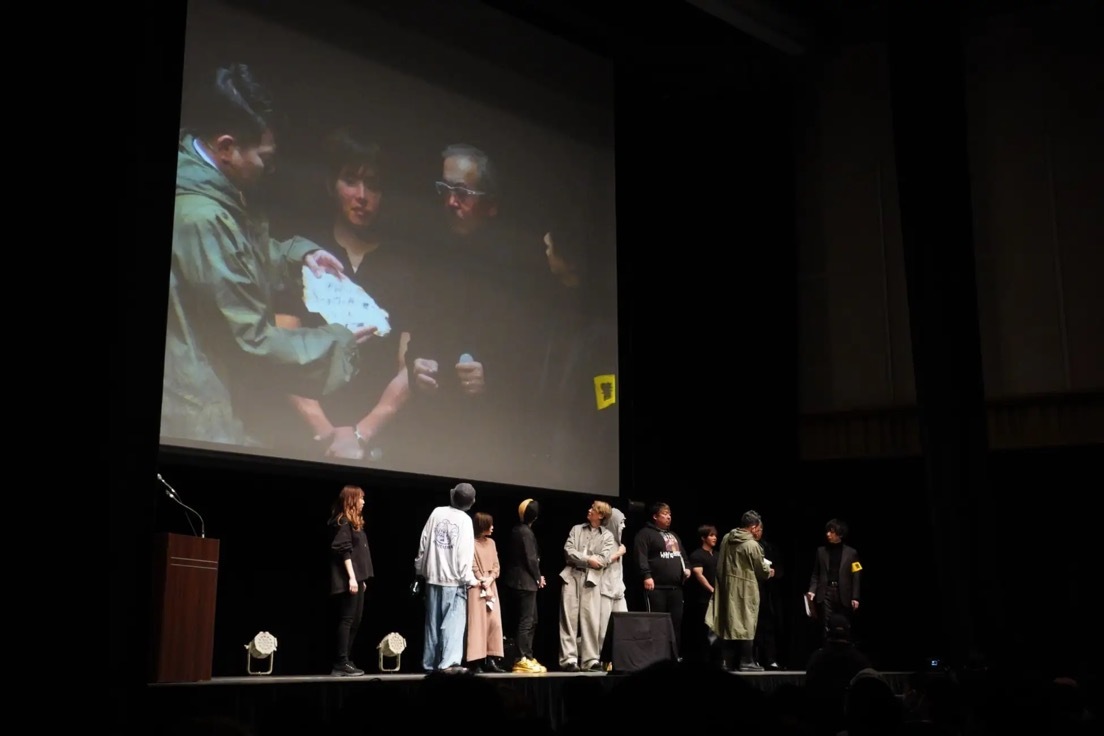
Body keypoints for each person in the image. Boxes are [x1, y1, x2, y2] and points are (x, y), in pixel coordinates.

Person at [162, 62, 375, 447]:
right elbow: (251, 342)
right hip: (201, 413)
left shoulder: (213, 191)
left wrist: (299, 258)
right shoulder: (202, 217)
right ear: (226, 147)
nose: (269, 167)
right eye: (264, 156)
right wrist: (338, 343)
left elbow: (236, 257)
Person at [274, 128, 419, 462]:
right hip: (302, 437)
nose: (362, 195)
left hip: (378, 443)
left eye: (374, 185)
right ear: (331, 185)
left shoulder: (401, 269)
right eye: (351, 180)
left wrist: (361, 434)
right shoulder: (304, 256)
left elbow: (407, 366)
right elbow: (281, 352)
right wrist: (324, 431)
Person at [414, 482, 479, 673]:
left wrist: (420, 570)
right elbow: (464, 554)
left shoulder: (436, 512)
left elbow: (423, 543)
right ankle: (449, 664)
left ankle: (430, 664)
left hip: (433, 578)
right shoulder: (465, 521)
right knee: (453, 623)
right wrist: (470, 579)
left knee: (432, 624)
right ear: (471, 502)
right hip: (454, 581)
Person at [707, 510, 774, 671]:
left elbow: (721, 562)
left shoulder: (726, 538)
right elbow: (761, 571)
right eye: (758, 529)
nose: (759, 532)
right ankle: (746, 661)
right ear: (753, 527)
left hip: (726, 587)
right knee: (746, 623)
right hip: (745, 589)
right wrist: (769, 571)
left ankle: (724, 661)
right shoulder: (752, 545)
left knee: (726, 621)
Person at [558, 500, 616, 672]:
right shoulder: (577, 529)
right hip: (571, 576)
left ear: (601, 515)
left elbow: (603, 559)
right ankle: (568, 659)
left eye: (593, 509)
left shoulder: (607, 536)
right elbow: (568, 551)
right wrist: (588, 559)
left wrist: (585, 558)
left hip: (592, 580)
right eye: (590, 508)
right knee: (568, 619)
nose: (589, 510)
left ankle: (590, 660)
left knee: (591, 620)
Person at [633, 502, 691, 657]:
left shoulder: (673, 536)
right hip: (656, 587)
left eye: (670, 514)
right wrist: (647, 575)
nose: (669, 517)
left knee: (675, 624)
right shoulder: (645, 534)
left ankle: (674, 656)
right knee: (656, 623)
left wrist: (687, 569)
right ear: (655, 516)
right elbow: (641, 557)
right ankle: (656, 657)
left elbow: (682, 556)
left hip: (676, 588)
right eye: (665, 514)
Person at [328, 484, 374, 676]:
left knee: (356, 620)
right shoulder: (343, 521)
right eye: (361, 498)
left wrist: (361, 578)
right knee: (347, 619)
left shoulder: (355, 522)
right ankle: (340, 662)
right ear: (352, 500)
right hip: (349, 579)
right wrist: (352, 578)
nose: (364, 501)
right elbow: (344, 550)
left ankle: (346, 658)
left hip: (357, 578)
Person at [500, 498, 548, 673]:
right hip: (525, 582)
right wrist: (537, 577)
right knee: (526, 621)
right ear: (534, 516)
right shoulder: (525, 532)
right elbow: (530, 557)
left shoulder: (520, 530)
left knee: (532, 620)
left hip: (525, 581)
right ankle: (521, 658)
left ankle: (527, 655)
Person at [807, 518, 862, 640]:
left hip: (844, 593)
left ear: (840, 533)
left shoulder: (852, 553)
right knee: (827, 624)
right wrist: (812, 590)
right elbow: (816, 573)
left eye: (832, 532)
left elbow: (856, 576)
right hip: (826, 592)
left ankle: (843, 650)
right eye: (828, 531)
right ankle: (827, 649)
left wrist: (855, 597)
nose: (828, 534)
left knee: (843, 623)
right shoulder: (821, 551)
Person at [465, 512, 505, 672]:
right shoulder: (471, 543)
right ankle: (476, 661)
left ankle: (491, 659)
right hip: (477, 587)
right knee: (478, 624)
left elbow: (496, 564)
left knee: (494, 623)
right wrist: (484, 581)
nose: (493, 527)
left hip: (491, 585)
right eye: (490, 525)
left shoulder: (492, 543)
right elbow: (473, 565)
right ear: (482, 526)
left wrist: (491, 579)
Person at [686, 524, 719, 665]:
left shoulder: (717, 555)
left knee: (716, 631)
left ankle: (717, 660)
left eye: (715, 535)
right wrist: (711, 589)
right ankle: (703, 661)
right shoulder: (697, 555)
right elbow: (699, 575)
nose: (714, 538)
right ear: (703, 538)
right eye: (711, 535)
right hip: (703, 599)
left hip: (718, 599)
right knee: (703, 630)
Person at [598, 506, 628, 659]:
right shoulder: (603, 538)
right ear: (613, 521)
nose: (623, 525)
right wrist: (618, 554)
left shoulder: (619, 542)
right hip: (604, 589)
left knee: (625, 625)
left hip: (618, 590)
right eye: (621, 522)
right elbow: (600, 562)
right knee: (602, 628)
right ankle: (599, 658)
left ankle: (621, 658)